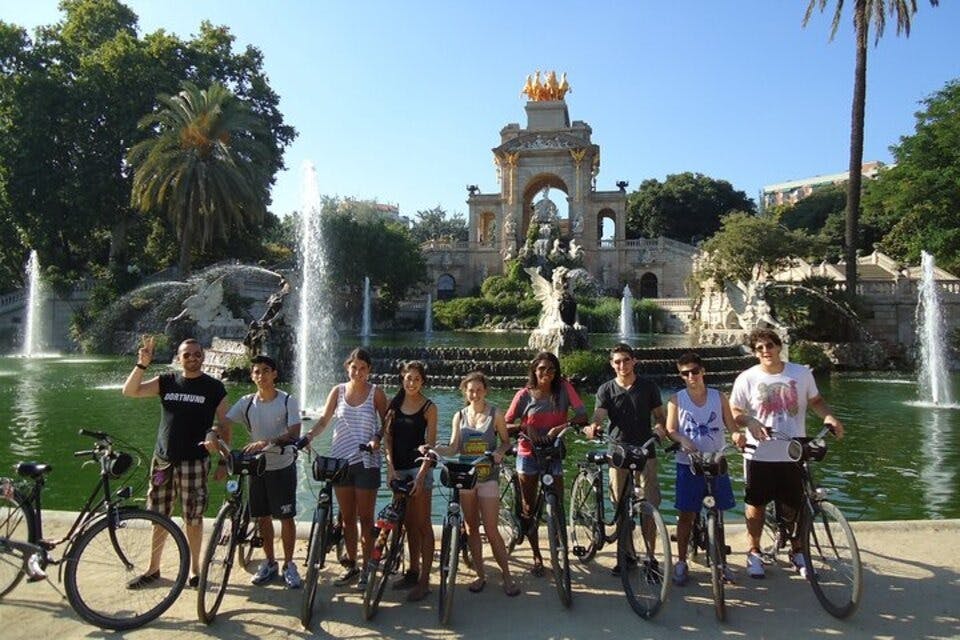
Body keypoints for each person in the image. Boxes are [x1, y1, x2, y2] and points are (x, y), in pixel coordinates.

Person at [729, 328, 845, 579]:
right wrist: (749, 421)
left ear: (779, 346)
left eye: (769, 345)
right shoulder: (747, 378)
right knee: (755, 505)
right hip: (760, 453)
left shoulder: (801, 373)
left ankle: (798, 551)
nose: (765, 351)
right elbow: (735, 411)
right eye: (759, 348)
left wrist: (829, 416)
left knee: (795, 504)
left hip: (793, 450)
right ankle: (754, 551)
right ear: (754, 352)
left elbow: (815, 401)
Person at [121, 336, 228, 589]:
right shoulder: (166, 381)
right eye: (186, 354)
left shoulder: (214, 387)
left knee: (193, 517)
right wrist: (142, 364)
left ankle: (195, 570)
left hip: (195, 463)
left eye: (197, 354)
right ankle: (153, 568)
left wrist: (224, 460)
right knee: (158, 515)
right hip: (163, 462)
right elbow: (130, 391)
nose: (192, 358)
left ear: (203, 357)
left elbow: (225, 424)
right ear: (179, 358)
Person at [302, 347, 386, 590]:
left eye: (363, 368)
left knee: (366, 518)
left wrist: (378, 438)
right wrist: (309, 436)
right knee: (348, 518)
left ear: (369, 370)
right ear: (347, 367)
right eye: (354, 367)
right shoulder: (338, 391)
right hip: (341, 462)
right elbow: (324, 420)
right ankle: (352, 565)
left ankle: (368, 568)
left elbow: (387, 422)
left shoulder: (376, 393)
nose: (358, 372)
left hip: (367, 461)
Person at [433, 371, 520, 597]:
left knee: (491, 529)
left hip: (488, 477)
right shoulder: (459, 416)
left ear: (485, 391)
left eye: (479, 390)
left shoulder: (495, 413)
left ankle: (507, 576)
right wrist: (433, 449)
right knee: (471, 528)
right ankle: (480, 574)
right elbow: (454, 447)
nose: (475, 394)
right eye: (470, 390)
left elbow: (506, 442)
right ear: (465, 392)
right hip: (467, 478)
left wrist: (500, 452)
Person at [583, 343, 666, 575]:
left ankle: (650, 558)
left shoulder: (648, 387)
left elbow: (659, 416)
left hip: (645, 452)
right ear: (612, 364)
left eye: (626, 360)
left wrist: (660, 429)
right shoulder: (606, 389)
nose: (622, 365)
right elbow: (599, 415)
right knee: (620, 505)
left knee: (649, 507)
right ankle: (626, 554)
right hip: (618, 453)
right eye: (617, 361)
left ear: (634, 361)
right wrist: (593, 426)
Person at [223, 355, 303, 589]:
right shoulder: (247, 402)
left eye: (266, 370)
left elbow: (294, 433)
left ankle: (289, 564)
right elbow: (225, 423)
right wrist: (212, 433)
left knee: (286, 517)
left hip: (282, 466)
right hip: (257, 468)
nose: (261, 376)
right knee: (262, 516)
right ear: (252, 376)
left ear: (274, 374)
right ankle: (269, 562)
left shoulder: (287, 401)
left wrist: (266, 443)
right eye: (256, 372)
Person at [505, 351, 587, 577]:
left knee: (557, 502)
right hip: (528, 453)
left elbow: (582, 415)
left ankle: (558, 551)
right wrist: (523, 428)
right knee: (529, 506)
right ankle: (536, 556)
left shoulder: (564, 389)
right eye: (542, 369)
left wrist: (562, 426)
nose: (546, 373)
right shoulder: (524, 395)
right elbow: (505, 424)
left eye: (551, 369)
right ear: (534, 370)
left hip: (553, 452)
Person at [665, 352, 743, 586]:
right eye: (685, 373)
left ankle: (721, 563)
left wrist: (737, 435)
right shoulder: (676, 400)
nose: (691, 377)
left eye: (695, 371)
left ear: (703, 371)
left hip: (715, 461)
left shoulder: (719, 397)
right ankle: (681, 561)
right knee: (686, 514)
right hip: (688, 463)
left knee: (718, 514)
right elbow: (670, 429)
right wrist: (682, 439)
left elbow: (731, 425)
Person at [382, 361, 437, 603]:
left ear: (422, 381)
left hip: (418, 469)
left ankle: (425, 581)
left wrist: (422, 476)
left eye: (416, 379)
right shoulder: (393, 405)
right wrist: (390, 469)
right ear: (402, 379)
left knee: (423, 525)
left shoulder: (429, 407)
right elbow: (388, 439)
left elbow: (431, 446)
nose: (411, 383)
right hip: (399, 470)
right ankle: (412, 572)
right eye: (408, 378)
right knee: (407, 524)